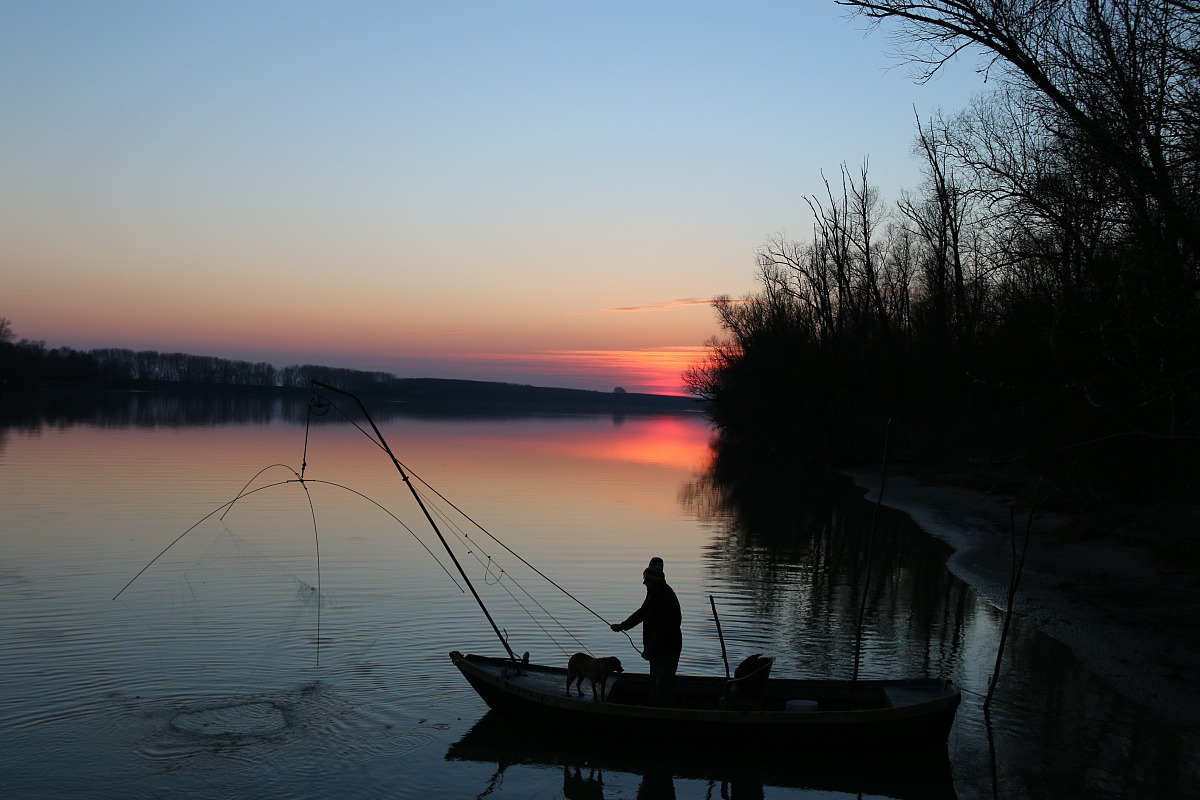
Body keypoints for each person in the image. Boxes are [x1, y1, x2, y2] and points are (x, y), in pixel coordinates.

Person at [610, 556, 682, 706]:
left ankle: (662, 713)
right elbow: (643, 612)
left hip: (667, 651)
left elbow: (664, 629)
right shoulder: (654, 593)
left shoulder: (665, 597)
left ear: (654, 580)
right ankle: (655, 709)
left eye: (646, 579)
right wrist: (623, 626)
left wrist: (650, 649)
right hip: (657, 651)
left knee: (662, 687)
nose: (643, 582)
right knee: (654, 684)